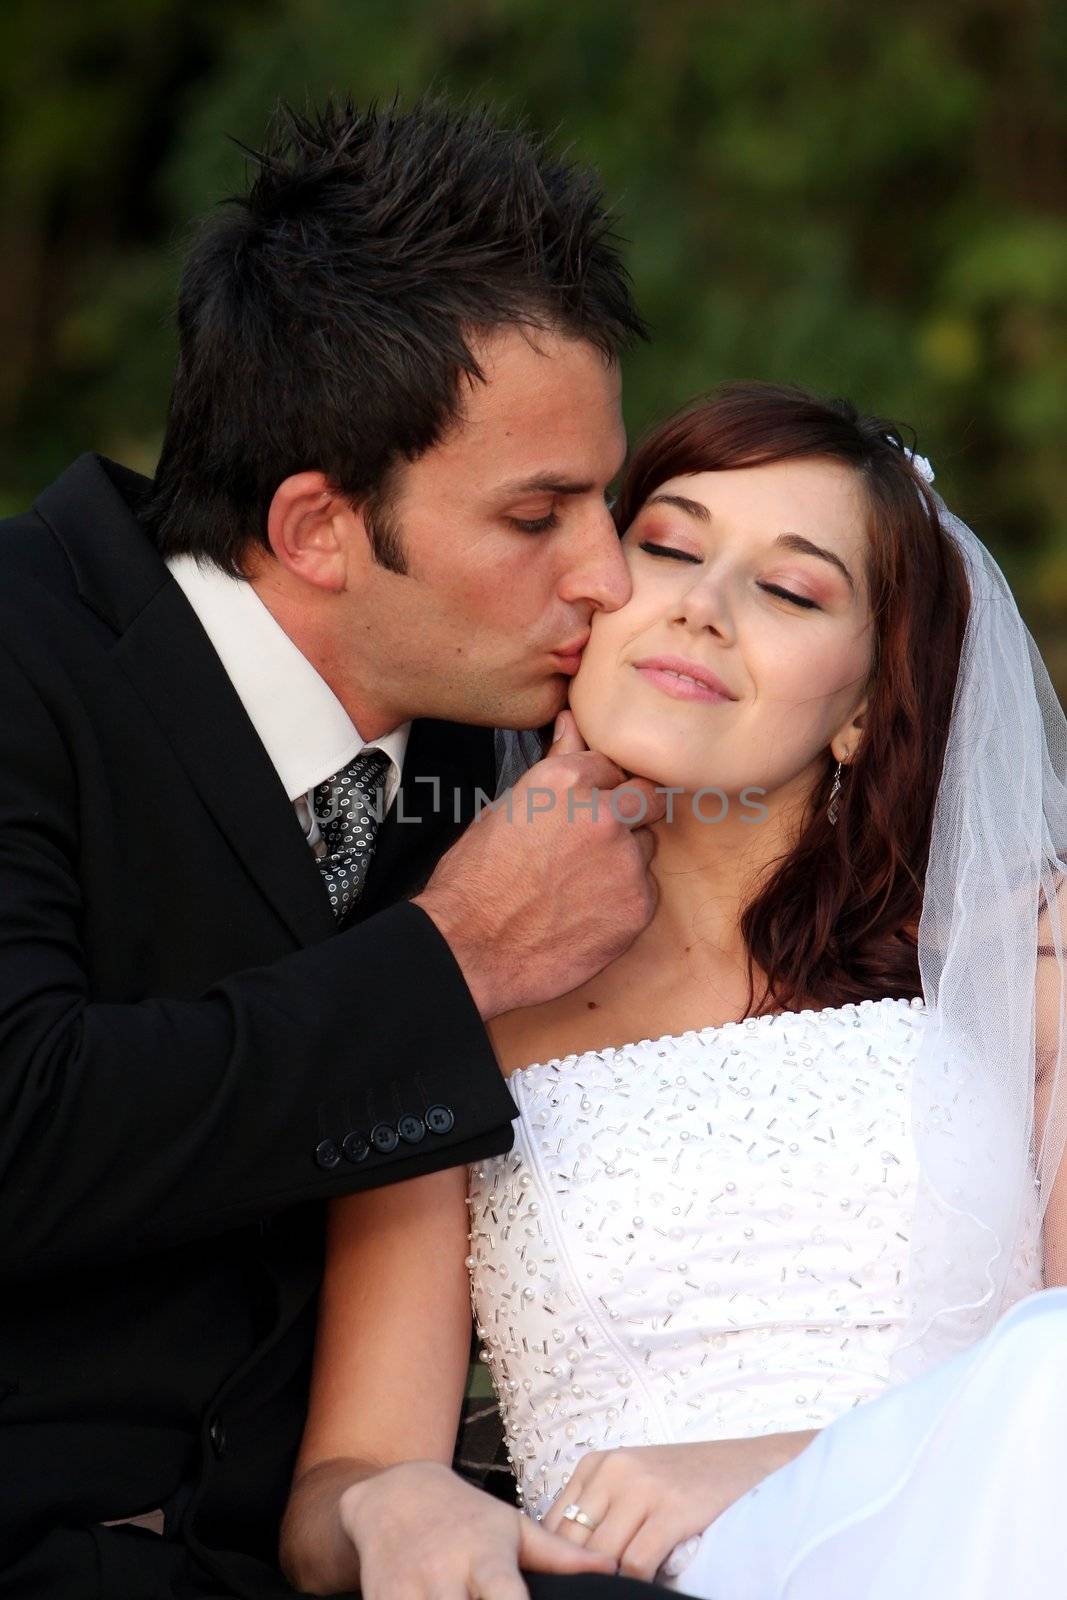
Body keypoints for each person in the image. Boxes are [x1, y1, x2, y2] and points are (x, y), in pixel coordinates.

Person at [0, 98, 677, 1600]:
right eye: (535, 515)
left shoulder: (507, 743)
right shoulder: (23, 649)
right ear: (315, 526)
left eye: (607, 499)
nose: (608, 575)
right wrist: (462, 953)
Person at [282, 383, 1067, 1599]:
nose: (702, 610)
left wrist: (779, 1467)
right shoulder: (453, 993)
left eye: (790, 589)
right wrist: (401, 1501)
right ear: (588, 596)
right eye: (668, 549)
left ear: (862, 706)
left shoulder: (1026, 952)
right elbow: (346, 1475)